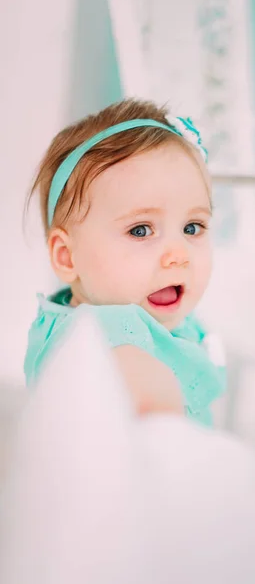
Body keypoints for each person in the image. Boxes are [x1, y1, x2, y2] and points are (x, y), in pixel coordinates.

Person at [24, 98, 225, 425]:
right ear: (67, 256)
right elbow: (136, 380)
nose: (179, 254)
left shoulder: (152, 318)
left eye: (192, 227)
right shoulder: (105, 331)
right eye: (141, 230)